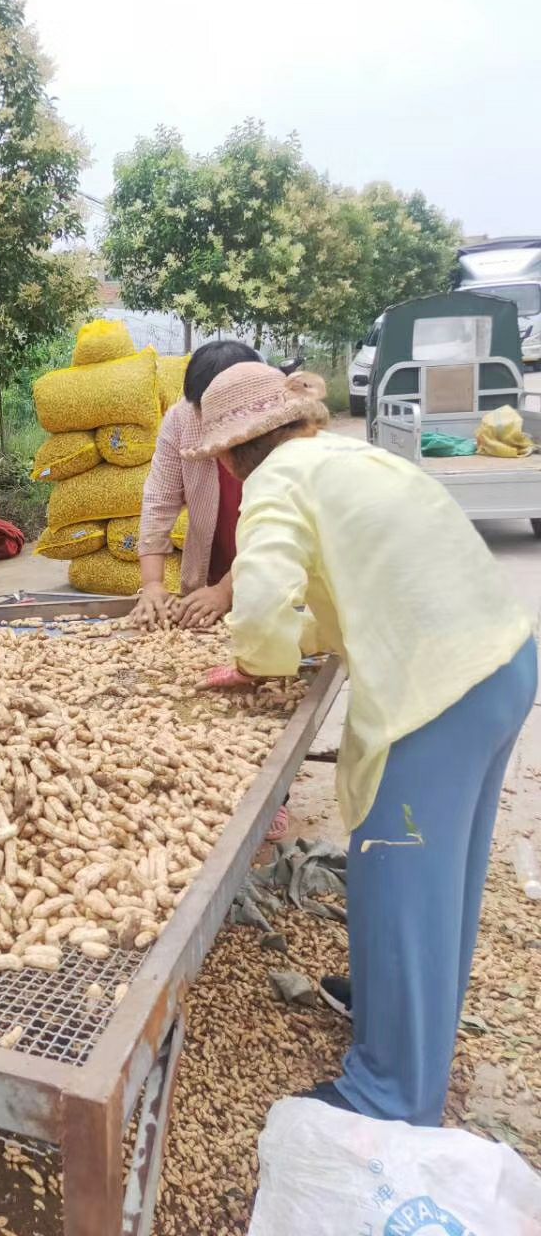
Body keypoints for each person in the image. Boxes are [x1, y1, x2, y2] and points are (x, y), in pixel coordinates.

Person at [185, 361, 534, 1126]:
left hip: (437, 696)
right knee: (443, 875)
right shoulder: (348, 454)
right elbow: (354, 586)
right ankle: (391, 1006)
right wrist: (290, 644)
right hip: (504, 662)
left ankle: (391, 1093)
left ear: (228, 454)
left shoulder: (276, 482)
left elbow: (263, 602)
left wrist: (258, 659)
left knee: (402, 873)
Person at [134, 340, 261, 632]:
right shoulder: (182, 418)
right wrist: (152, 583)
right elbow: (159, 500)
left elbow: (283, 528)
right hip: (212, 570)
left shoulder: (280, 429)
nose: (210, 420)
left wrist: (227, 590)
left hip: (277, 579)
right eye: (203, 409)